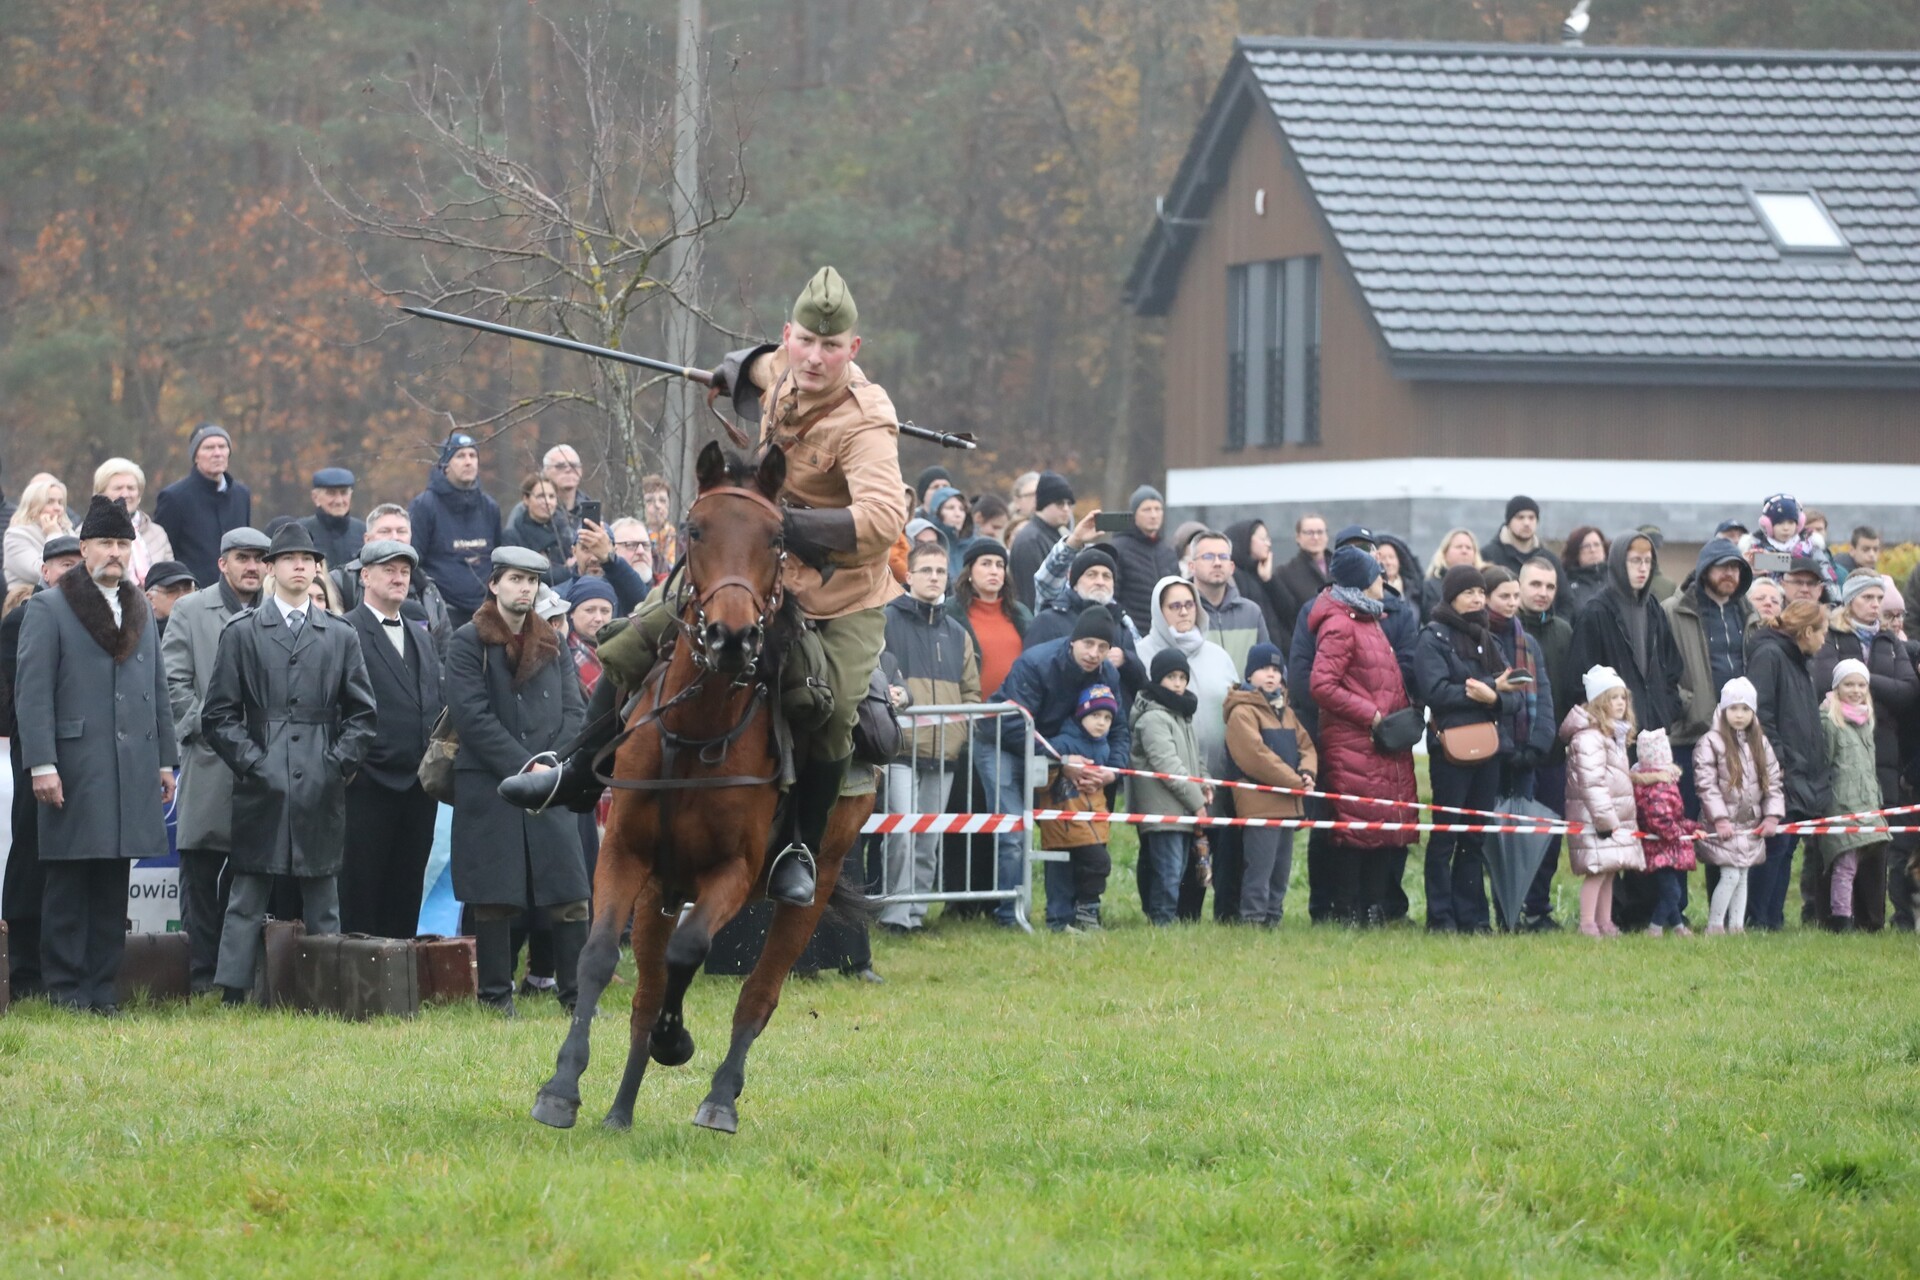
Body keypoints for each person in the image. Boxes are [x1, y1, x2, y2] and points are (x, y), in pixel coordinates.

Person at [528, 266, 909, 913]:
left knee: (832, 709)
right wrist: (730, 370)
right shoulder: (781, 366)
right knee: (638, 634)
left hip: (840, 592)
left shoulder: (868, 421)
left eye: (831, 347)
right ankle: (575, 772)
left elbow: (882, 520)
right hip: (754, 568)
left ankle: (798, 848)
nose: (815, 359)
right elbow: (751, 365)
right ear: (789, 337)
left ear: (853, 349)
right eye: (804, 343)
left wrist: (783, 525)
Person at [13, 497, 178, 1013]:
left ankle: (102, 990)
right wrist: (42, 764)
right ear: (84, 548)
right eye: (105, 542)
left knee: (112, 885)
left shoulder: (139, 607)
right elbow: (32, 693)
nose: (115, 553)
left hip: (132, 769)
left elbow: (158, 688)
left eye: (123, 544)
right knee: (68, 882)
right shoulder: (49, 607)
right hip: (74, 767)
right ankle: (65, 990)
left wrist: (165, 760)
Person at [202, 523, 377, 1004]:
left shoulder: (340, 635)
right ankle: (233, 990)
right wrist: (254, 763)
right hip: (262, 780)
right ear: (272, 568)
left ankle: (328, 989)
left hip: (321, 778)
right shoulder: (242, 633)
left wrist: (335, 765)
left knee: (323, 892)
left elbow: (363, 715)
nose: (300, 566)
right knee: (248, 889)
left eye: (308, 559)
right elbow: (218, 715)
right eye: (289, 558)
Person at [448, 547, 589, 1012]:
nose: (525, 588)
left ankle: (577, 997)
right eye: (515, 579)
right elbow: (472, 717)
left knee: (569, 893)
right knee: (495, 897)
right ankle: (495, 997)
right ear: (494, 584)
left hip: (550, 782)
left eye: (532, 580)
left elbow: (574, 712)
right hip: (492, 784)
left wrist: (551, 765)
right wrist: (526, 766)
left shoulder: (553, 641)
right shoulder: (468, 641)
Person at [160, 527, 269, 992]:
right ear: (222, 563)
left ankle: (242, 979)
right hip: (207, 759)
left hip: (263, 765)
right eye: (243, 557)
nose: (252, 566)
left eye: (260, 558)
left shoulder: (276, 610)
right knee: (202, 873)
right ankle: (202, 976)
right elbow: (172, 683)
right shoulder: (190, 610)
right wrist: (209, 727)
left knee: (254, 875)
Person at [986, 607, 1132, 927]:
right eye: (1088, 643)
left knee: (1064, 832)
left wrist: (1113, 771)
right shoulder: (1035, 663)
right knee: (1014, 831)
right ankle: (1009, 916)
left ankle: (1065, 913)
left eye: (1103, 647)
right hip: (1001, 743)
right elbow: (1013, 725)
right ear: (1073, 640)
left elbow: (1119, 729)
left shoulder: (1108, 674)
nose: (1094, 653)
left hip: (1062, 755)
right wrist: (1060, 761)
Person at [338, 540, 446, 941]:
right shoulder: (344, 630)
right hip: (366, 787)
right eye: (389, 570)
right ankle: (357, 975)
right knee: (360, 898)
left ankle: (398, 972)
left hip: (418, 789)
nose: (399, 578)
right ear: (365, 576)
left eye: (404, 571)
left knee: (406, 893)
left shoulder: (422, 636)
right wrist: (350, 767)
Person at [1307, 546, 1417, 926]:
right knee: (1355, 832)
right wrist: (1369, 714)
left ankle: (1373, 908)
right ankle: (1347, 909)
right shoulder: (1340, 624)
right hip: (1355, 743)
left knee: (1380, 829)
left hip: (1382, 745)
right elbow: (1322, 684)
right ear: (1360, 581)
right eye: (1375, 574)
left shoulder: (1369, 619)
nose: (1382, 580)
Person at [1413, 565, 1524, 933]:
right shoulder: (1432, 637)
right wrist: (1486, 689)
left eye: (1480, 592)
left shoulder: (1487, 638)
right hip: (1450, 749)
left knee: (1475, 835)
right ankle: (1440, 917)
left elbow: (1514, 694)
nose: (1477, 599)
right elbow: (1434, 691)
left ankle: (1472, 917)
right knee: (1445, 835)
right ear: (1451, 597)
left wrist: (1492, 695)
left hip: (1489, 747)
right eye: (1469, 592)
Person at [878, 541, 981, 934]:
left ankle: (916, 913)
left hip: (944, 751)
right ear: (909, 576)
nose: (934, 577)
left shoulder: (958, 633)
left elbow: (971, 691)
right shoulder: (887, 620)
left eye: (940, 571)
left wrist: (960, 731)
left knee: (929, 837)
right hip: (900, 748)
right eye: (926, 570)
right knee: (901, 834)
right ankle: (894, 913)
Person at [0, 533, 85, 1000]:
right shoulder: (24, 617)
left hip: (81, 750)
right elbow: (31, 692)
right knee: (31, 852)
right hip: (35, 748)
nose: (73, 572)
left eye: (79, 563)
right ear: (45, 571)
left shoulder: (93, 617)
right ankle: (25, 970)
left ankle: (62, 967)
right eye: (64, 564)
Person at [1810, 573, 1915, 932]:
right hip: (1840, 750)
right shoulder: (1833, 635)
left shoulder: (1890, 640)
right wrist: (1869, 683)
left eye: (1878, 598)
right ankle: (1830, 916)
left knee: (1877, 839)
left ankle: (1872, 919)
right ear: (1851, 599)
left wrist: (1861, 677)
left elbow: (1907, 692)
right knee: (1836, 839)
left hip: (1883, 750)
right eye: (1868, 597)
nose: (1875, 605)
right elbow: (1823, 680)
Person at [1746, 600, 1830, 930]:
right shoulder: (1770, 655)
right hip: (1781, 769)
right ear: (1807, 631)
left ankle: (1773, 918)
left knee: (1787, 845)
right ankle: (1757, 918)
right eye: (1822, 632)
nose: (1824, 640)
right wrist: (1778, 760)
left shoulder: (1798, 661)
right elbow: (1761, 714)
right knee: (1775, 845)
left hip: (1800, 768)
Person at [1224, 643, 1315, 927]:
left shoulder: (1286, 712)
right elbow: (1256, 756)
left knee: (1280, 870)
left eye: (1276, 669)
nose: (1271, 674)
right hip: (1259, 804)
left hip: (1288, 803)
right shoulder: (1242, 712)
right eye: (1264, 668)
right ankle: (1253, 920)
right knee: (1259, 870)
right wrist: (1296, 781)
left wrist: (1307, 772)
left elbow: (1306, 746)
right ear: (1249, 674)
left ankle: (1273, 919)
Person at [1568, 530, 1684, 744]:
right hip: (1614, 736)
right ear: (1619, 563)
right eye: (1635, 561)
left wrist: (1666, 709)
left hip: (1655, 734)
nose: (1643, 568)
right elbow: (1580, 679)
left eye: (1647, 561)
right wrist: (1605, 722)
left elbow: (1672, 668)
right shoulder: (1596, 612)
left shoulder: (1654, 609)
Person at [1665, 537, 1754, 811]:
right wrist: (1687, 704)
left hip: (1739, 734)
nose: (1730, 573)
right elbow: (1661, 671)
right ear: (1704, 570)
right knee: (1690, 819)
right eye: (1722, 567)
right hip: (1690, 735)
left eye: (1735, 568)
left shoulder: (1749, 613)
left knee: (1733, 820)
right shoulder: (1672, 611)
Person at [1561, 667, 1647, 938]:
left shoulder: (1612, 736)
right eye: (1613, 698)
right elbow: (1591, 782)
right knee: (1597, 871)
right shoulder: (1589, 738)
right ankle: (1587, 922)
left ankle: (1605, 921)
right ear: (1599, 702)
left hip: (1613, 817)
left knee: (1610, 870)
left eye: (1623, 697)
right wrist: (1605, 819)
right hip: (1596, 818)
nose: (1621, 703)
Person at [1693, 677, 1783, 934]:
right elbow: (1706, 785)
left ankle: (1736, 926)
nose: (1740, 715)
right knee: (1730, 875)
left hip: (1749, 825)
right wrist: (1719, 819)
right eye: (1733, 708)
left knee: (1742, 875)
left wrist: (1772, 816)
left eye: (1745, 709)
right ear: (1723, 710)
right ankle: (1715, 925)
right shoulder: (1710, 742)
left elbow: (1772, 781)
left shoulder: (1760, 743)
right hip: (1723, 826)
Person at [1130, 649, 1210, 925]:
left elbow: (1195, 759)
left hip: (1181, 806)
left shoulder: (1182, 715)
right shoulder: (1153, 718)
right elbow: (1168, 765)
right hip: (1162, 809)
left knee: (1177, 868)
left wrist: (1205, 782)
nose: (1177, 683)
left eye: (1182, 677)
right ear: (1157, 679)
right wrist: (1197, 802)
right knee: (1168, 870)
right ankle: (1161, 919)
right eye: (1171, 677)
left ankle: (1166, 917)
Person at [1516, 557, 1575, 930]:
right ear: (1520, 586)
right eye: (1535, 584)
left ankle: (1538, 907)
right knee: (1516, 834)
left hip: (1554, 752)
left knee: (1551, 835)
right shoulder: (1506, 629)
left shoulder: (1564, 632)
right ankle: (1512, 905)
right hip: (1516, 753)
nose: (1543, 593)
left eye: (1550, 586)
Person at [1136, 576, 1237, 778]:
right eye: (1175, 606)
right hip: (1163, 780)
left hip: (1221, 778)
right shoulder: (1140, 655)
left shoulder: (1219, 656)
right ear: (1159, 611)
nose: (1183, 612)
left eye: (1189, 605)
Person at [1035, 683, 1117, 932]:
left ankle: (1081, 914)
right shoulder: (1061, 744)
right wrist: (1061, 765)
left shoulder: (1104, 747)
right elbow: (1040, 779)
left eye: (1107, 718)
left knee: (1086, 866)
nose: (1101, 723)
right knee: (1070, 870)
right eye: (1095, 715)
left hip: (1092, 821)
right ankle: (1065, 918)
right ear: (1081, 715)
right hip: (1064, 820)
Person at [330, 504, 455, 659]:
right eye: (385, 531)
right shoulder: (340, 582)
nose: (395, 537)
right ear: (367, 539)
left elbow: (446, 651)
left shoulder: (428, 590)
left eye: (401, 531)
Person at [1024, 544, 1146, 700]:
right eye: (1091, 575)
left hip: (1114, 713)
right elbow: (1030, 675)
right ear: (1074, 582)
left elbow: (1141, 684)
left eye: (1106, 576)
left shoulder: (1120, 624)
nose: (1100, 582)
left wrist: (1126, 660)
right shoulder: (1048, 620)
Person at [409, 430, 501, 629]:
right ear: (444, 465)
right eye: (460, 456)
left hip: (486, 611)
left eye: (473, 455)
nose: (468, 462)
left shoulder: (489, 507)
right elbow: (414, 562)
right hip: (444, 613)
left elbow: (498, 559)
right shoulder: (424, 506)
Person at [1817, 660, 1882, 933]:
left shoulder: (1867, 721)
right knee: (1844, 865)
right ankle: (1841, 918)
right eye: (1849, 684)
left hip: (1867, 803)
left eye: (1861, 685)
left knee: (1855, 865)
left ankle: (1851, 914)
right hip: (1841, 803)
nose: (1855, 690)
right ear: (1837, 687)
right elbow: (1825, 764)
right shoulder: (1828, 721)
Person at [1483, 566, 1556, 803]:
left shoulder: (1528, 642)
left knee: (1521, 820)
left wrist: (1537, 747)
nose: (1512, 602)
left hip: (1525, 751)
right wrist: (1505, 748)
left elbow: (1542, 695)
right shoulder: (1477, 637)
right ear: (1486, 597)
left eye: (1516, 596)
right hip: (1490, 751)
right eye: (1504, 596)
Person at [152, 423, 252, 588]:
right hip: (193, 593)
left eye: (222, 446)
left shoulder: (242, 495)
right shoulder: (174, 498)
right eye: (209, 448)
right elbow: (162, 554)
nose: (217, 453)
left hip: (237, 591)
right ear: (196, 456)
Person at [1631, 728, 1700, 936]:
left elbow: (1675, 817)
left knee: (1670, 891)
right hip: (1661, 848)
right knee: (1672, 892)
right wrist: (1678, 834)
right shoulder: (1658, 788)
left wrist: (1693, 829)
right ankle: (1655, 927)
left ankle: (1678, 927)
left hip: (1663, 848)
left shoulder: (1657, 785)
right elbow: (1661, 820)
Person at [949, 540, 1030, 707]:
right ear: (970, 571)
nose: (994, 571)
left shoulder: (1021, 613)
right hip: (969, 712)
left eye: (1000, 565)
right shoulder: (951, 612)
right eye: (986, 564)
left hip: (1015, 713)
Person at [1186, 529, 1269, 670]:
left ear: (1231, 567)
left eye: (1223, 557)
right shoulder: (1182, 612)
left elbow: (1268, 664)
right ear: (1191, 566)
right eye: (1208, 557)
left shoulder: (1251, 613)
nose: (1217, 563)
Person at [92, 458, 174, 587]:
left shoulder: (157, 533)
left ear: (139, 495)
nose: (125, 494)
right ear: (101, 494)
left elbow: (171, 576)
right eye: (118, 488)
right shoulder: (87, 534)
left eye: (131, 488)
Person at [1111, 485, 1180, 633]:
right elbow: (1112, 598)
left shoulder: (1168, 551)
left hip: (1167, 633)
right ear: (1134, 514)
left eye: (1158, 509)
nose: (1153, 515)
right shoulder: (1119, 548)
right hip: (1131, 633)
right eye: (1146, 510)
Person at [1484, 495, 1567, 616]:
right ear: (1509, 521)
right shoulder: (1489, 555)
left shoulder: (1549, 558)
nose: (1527, 523)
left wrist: (1555, 625)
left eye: (1531, 517)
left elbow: (1565, 600)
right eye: (1520, 517)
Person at [1008, 471, 1073, 613]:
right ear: (1044, 503)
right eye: (1060, 503)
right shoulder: (1030, 540)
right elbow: (1030, 595)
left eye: (1069, 503)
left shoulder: (1054, 535)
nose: (1066, 509)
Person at [1222, 519, 1289, 646]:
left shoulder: (1261, 573)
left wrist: (1269, 580)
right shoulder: (1233, 577)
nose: (1268, 544)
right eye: (1263, 539)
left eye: (1268, 539)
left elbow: (1288, 612)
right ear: (1245, 540)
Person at [4, 474, 74, 590]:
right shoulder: (15, 536)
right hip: (28, 599)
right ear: (33, 505)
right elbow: (41, 573)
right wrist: (54, 535)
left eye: (60, 502)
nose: (57, 508)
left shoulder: (67, 531)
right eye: (50, 502)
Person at [501, 472, 574, 581]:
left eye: (551, 496)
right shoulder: (513, 537)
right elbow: (527, 576)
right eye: (540, 496)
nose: (547, 502)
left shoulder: (566, 532)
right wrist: (567, 570)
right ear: (526, 499)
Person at [1272, 514, 1330, 638]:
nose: (1315, 537)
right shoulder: (1285, 573)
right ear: (1298, 537)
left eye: (1320, 532)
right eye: (1309, 533)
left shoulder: (1340, 566)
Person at [507, 445, 591, 529]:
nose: (568, 469)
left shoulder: (590, 508)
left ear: (581, 471)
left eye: (574, 465)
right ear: (545, 472)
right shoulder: (528, 509)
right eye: (560, 466)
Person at [297, 467, 364, 571]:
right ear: (315, 498)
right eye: (331, 493)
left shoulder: (364, 532)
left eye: (344, 493)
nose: (339, 501)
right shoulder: (300, 531)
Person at [1420, 528, 1484, 621]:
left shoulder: (1485, 582)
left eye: (1469, 548)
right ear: (1445, 552)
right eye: (1459, 547)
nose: (1464, 551)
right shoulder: (1431, 586)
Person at [922, 483, 977, 580]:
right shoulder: (927, 544)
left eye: (962, 509)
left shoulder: (974, 546)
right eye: (950, 508)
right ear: (937, 512)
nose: (958, 514)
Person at [1559, 527, 1611, 619]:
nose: (1593, 550)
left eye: (1597, 544)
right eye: (1586, 546)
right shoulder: (1566, 585)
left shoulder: (1616, 578)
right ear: (1576, 552)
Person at [142, 562, 197, 641]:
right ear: (150, 599)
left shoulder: (205, 627)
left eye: (188, 589)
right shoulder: (140, 638)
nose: (183, 597)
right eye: (172, 590)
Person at [640, 473, 679, 584]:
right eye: (649, 500)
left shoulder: (679, 539)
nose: (657, 505)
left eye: (662, 500)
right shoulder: (637, 538)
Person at [607, 517, 655, 584]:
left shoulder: (666, 586)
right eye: (631, 545)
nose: (641, 551)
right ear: (611, 550)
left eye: (645, 545)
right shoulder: (598, 588)